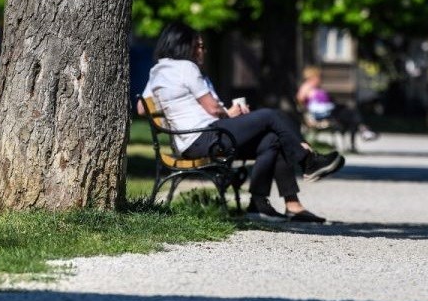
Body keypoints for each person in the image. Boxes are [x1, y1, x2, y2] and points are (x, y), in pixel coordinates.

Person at [142, 22, 345, 223]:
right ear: (183, 45)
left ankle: (262, 204)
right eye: (198, 45)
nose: (201, 51)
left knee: (272, 139)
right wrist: (229, 114)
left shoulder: (157, 71)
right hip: (205, 136)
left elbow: (142, 108)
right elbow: (213, 109)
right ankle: (307, 161)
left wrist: (175, 106)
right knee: (270, 115)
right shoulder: (186, 67)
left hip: (190, 141)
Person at [296, 66, 379, 141]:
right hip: (322, 114)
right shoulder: (306, 87)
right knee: (351, 113)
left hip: (329, 111)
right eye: (319, 77)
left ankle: (363, 130)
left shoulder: (316, 88)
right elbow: (300, 100)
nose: (320, 79)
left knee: (350, 113)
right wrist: (308, 115)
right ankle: (364, 130)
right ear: (312, 77)